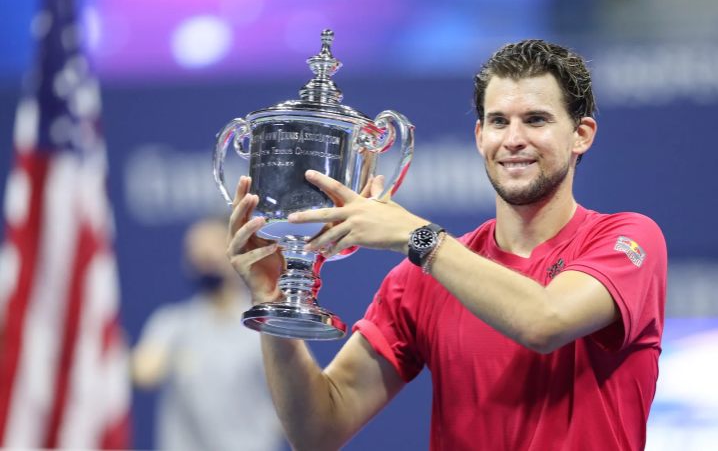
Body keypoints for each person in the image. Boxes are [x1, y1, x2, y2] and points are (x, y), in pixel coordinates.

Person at [226, 40, 667, 451]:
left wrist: (417, 237)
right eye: (498, 121)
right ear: (479, 137)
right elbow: (317, 429)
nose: (513, 139)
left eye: (535, 119)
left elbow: (545, 322)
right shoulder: (423, 278)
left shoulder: (628, 239)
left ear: (581, 135)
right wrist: (275, 303)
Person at [132, 218, 284, 451]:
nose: (203, 256)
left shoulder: (265, 325)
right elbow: (144, 373)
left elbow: (296, 399)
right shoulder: (171, 323)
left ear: (237, 252)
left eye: (212, 247)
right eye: (194, 250)